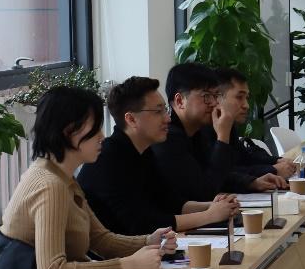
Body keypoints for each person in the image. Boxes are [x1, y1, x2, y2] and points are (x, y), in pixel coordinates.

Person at [0, 87, 169, 269]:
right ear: (69, 131)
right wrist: (128, 265)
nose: (102, 136)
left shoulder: (62, 176)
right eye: (95, 129)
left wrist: (149, 241)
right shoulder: (50, 186)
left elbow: (100, 239)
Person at [78, 77, 240, 235]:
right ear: (131, 119)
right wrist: (209, 215)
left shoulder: (143, 151)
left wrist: (214, 206)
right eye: (158, 111)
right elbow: (142, 224)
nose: (167, 118)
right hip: (113, 250)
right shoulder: (108, 158)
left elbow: (170, 202)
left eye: (165, 110)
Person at [152, 63, 281, 202]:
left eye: (215, 95)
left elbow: (215, 173)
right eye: (206, 96)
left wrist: (250, 182)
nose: (214, 103)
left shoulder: (195, 132)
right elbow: (205, 191)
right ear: (180, 101)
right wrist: (222, 137)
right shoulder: (167, 138)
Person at [214, 67, 295, 190]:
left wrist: (277, 161)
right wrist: (272, 169)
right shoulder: (202, 131)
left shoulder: (228, 125)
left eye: (246, 98)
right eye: (239, 97)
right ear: (217, 98)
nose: (246, 105)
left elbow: (245, 158)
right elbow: (224, 173)